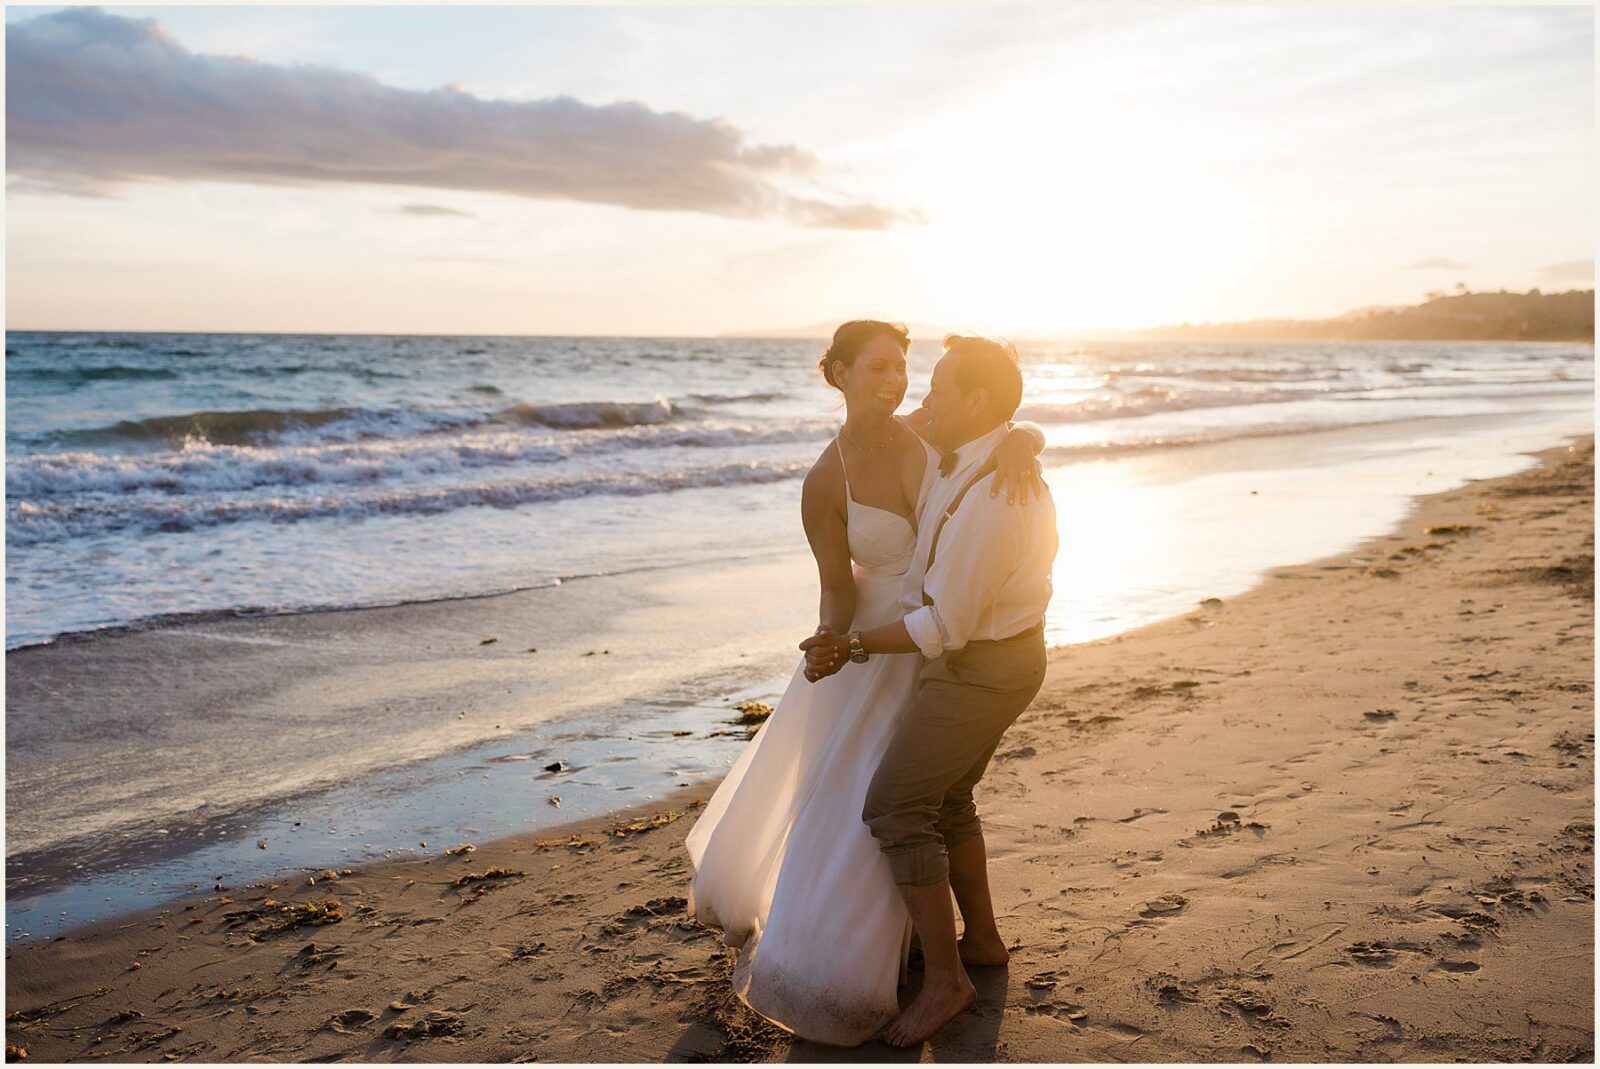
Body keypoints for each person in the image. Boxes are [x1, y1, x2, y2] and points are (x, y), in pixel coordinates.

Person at [684, 321, 1045, 1046]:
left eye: (903, 367)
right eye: (877, 367)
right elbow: (834, 590)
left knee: (916, 798)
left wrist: (1022, 436)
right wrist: (834, 646)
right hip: (877, 642)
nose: (896, 380)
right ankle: (890, 947)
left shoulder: (929, 431)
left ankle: (949, 953)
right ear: (838, 373)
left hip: (939, 636)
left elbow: (993, 420)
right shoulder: (825, 480)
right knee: (879, 796)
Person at [801, 335, 1058, 1048]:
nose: (919, 396)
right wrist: (1022, 434)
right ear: (842, 375)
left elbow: (945, 622)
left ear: (972, 402)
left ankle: (946, 979)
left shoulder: (993, 495)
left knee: (895, 804)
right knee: (948, 797)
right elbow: (838, 581)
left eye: (932, 384)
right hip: (978, 652)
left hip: (981, 662)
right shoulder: (958, 447)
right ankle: (982, 942)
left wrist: (851, 645)